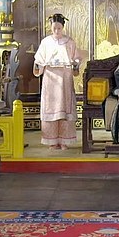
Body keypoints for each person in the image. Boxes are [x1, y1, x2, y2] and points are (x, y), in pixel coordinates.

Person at [34, 13, 79, 149]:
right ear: (51, 27)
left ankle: (64, 141)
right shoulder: (46, 42)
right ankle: (52, 141)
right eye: (54, 28)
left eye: (59, 28)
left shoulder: (69, 42)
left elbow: (76, 58)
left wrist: (75, 64)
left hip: (65, 78)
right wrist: (39, 64)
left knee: (65, 109)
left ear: (63, 27)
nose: (57, 31)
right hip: (50, 79)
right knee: (51, 109)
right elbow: (39, 59)